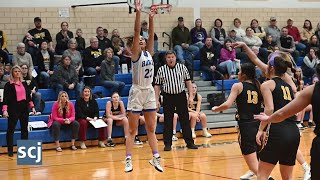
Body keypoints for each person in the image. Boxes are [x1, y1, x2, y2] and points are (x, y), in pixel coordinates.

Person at [254, 63, 320, 180]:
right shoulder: (289, 87)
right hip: (293, 130)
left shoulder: (267, 84)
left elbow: (270, 109)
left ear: (272, 68)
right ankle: (305, 167)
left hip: (278, 128)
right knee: (288, 176)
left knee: (262, 174)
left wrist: (261, 129)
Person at [125, 0, 163, 172]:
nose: (141, 40)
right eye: (138, 39)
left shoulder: (149, 53)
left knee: (151, 128)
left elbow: (152, 33)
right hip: (137, 91)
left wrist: (152, 17)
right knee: (132, 130)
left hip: (148, 91)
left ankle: (155, 157)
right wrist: (139, 12)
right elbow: (136, 30)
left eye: (142, 39)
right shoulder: (135, 54)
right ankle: (128, 159)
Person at [212, 63, 263, 180]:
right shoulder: (259, 86)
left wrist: (216, 109)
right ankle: (253, 171)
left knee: (248, 152)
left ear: (244, 75)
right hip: (259, 123)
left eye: (240, 72)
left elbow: (227, 104)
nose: (238, 74)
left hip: (246, 124)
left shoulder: (238, 86)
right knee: (257, 152)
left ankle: (266, 176)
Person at [155, 50, 198, 152]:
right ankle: (168, 144)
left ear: (175, 58)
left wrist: (191, 96)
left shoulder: (182, 67)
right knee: (168, 121)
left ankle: (189, 142)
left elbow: (188, 82)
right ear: (166, 59)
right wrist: (156, 99)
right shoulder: (161, 70)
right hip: (167, 96)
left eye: (172, 57)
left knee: (184, 119)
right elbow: (157, 85)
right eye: (169, 57)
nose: (171, 59)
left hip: (180, 95)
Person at [2, 65, 36, 157]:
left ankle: (24, 152)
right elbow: (5, 99)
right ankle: (10, 151)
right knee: (11, 130)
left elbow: (28, 97)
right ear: (12, 73)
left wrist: (32, 107)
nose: (17, 73)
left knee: (24, 129)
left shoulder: (24, 84)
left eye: (19, 71)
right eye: (15, 71)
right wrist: (5, 110)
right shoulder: (8, 85)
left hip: (24, 108)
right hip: (13, 108)